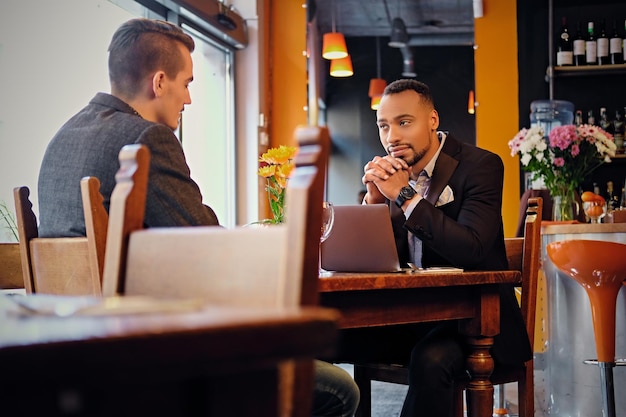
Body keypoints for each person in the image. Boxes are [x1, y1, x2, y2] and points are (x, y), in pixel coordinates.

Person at [37, 18, 358, 417]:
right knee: (341, 389)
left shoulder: (60, 141)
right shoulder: (146, 139)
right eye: (186, 84)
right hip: (150, 362)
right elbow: (207, 245)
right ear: (159, 83)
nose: (188, 100)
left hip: (77, 360)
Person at [348, 79, 531, 416]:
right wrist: (373, 203)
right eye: (383, 126)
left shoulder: (481, 166)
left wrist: (405, 196)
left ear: (432, 120)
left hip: (475, 321)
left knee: (430, 360)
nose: (392, 137)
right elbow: (375, 262)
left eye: (404, 122)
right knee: (313, 337)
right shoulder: (388, 178)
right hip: (410, 315)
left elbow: (473, 249)